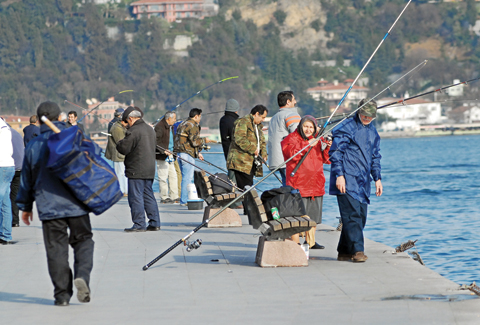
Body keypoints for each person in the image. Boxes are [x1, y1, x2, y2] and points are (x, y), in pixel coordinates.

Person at [17, 101, 94, 305]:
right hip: (77, 202)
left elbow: (27, 178)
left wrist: (25, 206)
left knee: (55, 249)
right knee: (84, 240)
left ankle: (62, 296)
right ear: (60, 117)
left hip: (49, 205)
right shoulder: (72, 137)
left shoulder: (34, 145)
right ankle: (82, 276)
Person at [329, 99, 383, 263]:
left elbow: (375, 156)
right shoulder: (347, 127)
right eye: (364, 115)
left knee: (360, 215)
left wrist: (377, 178)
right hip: (346, 178)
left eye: (370, 116)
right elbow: (336, 152)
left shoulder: (373, 131)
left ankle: (344, 251)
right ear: (359, 112)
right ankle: (358, 250)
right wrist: (339, 175)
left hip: (363, 181)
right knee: (353, 216)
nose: (367, 118)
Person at [281, 116, 331, 249]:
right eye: (306, 126)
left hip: (316, 183)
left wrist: (327, 147)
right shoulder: (291, 138)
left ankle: (311, 242)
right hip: (298, 184)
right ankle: (296, 242)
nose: (308, 130)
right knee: (297, 215)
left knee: (313, 215)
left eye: (311, 127)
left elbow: (327, 159)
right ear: (300, 126)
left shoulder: (317, 139)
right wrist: (307, 144)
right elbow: (290, 154)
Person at [117, 106, 161, 232]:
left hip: (136, 169)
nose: (127, 124)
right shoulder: (150, 129)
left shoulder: (134, 131)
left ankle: (139, 224)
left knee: (135, 197)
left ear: (131, 119)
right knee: (148, 196)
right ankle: (155, 222)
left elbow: (124, 148)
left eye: (127, 121)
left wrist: (120, 142)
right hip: (149, 169)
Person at [227, 105, 268, 220]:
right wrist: (252, 148)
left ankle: (248, 209)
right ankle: (250, 210)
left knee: (247, 185)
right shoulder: (243, 122)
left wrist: (264, 154)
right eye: (262, 117)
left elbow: (262, 142)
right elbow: (239, 138)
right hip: (240, 161)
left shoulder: (258, 126)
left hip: (251, 162)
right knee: (247, 186)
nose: (263, 120)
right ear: (256, 114)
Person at [174, 108, 214, 206]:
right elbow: (195, 141)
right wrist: (205, 140)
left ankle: (183, 199)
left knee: (184, 177)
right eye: (200, 116)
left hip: (179, 154)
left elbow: (185, 141)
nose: (200, 118)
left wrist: (198, 153)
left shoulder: (182, 123)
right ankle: (184, 201)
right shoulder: (193, 125)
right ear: (196, 116)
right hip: (187, 155)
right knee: (187, 178)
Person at [267, 91, 301, 185]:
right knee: (294, 187)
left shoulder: (273, 118)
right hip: (288, 160)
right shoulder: (291, 115)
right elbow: (299, 136)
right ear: (288, 102)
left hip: (277, 160)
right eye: (293, 100)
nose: (295, 102)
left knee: (286, 185)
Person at [155, 111, 179, 204]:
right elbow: (156, 141)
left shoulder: (171, 127)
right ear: (169, 119)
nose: (175, 120)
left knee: (173, 176)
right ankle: (164, 196)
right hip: (162, 156)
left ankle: (174, 196)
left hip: (171, 155)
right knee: (163, 177)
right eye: (174, 118)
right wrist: (163, 150)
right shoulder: (159, 126)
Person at [105, 108, 128, 195]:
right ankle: (122, 190)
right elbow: (119, 140)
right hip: (118, 152)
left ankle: (124, 190)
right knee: (120, 173)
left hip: (118, 153)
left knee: (121, 172)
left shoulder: (112, 123)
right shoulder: (116, 126)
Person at [0, 117, 15, 245]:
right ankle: (6, 235)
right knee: (5, 202)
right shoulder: (6, 127)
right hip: (9, 165)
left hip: (1, 166)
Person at [220, 99, 240, 183]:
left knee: (231, 175)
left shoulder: (222, 120)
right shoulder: (236, 121)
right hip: (236, 153)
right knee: (236, 176)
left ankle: (232, 190)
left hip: (227, 151)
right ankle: (237, 193)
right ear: (236, 109)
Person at [9, 127, 24, 227]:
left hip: (7, 167)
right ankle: (15, 221)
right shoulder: (17, 133)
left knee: (5, 195)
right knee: (14, 195)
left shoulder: (3, 134)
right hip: (19, 168)